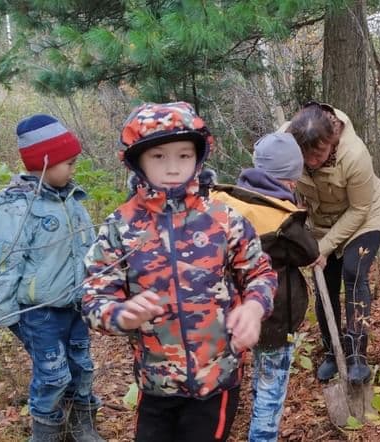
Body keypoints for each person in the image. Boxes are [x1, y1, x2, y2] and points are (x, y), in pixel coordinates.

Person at [82, 102, 278, 441]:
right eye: (159, 156)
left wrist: (254, 308)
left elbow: (260, 271)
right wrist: (120, 313)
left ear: (198, 158)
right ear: (137, 160)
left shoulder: (223, 219)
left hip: (216, 381)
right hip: (156, 382)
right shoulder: (121, 227)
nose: (173, 167)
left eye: (184, 155)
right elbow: (93, 295)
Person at [0, 114, 103, 442]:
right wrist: (9, 315)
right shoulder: (18, 209)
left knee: (81, 367)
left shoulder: (74, 201)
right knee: (52, 376)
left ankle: (82, 425)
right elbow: (2, 264)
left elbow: (89, 248)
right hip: (40, 313)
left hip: (75, 307)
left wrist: (94, 289)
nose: (73, 169)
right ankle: (46, 432)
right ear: (43, 161)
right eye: (69, 163)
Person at [209, 133, 319, 441]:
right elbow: (308, 252)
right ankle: (263, 436)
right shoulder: (282, 219)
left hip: (224, 315)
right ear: (289, 181)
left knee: (229, 378)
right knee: (271, 383)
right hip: (272, 317)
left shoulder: (220, 199)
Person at [283, 101, 380, 384]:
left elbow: (359, 210)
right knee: (324, 285)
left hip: (364, 217)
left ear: (332, 139)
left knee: (353, 273)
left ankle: (357, 356)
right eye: (306, 156)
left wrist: (324, 247)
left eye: (318, 154)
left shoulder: (355, 155)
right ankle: (332, 352)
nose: (312, 162)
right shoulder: (286, 140)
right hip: (320, 222)